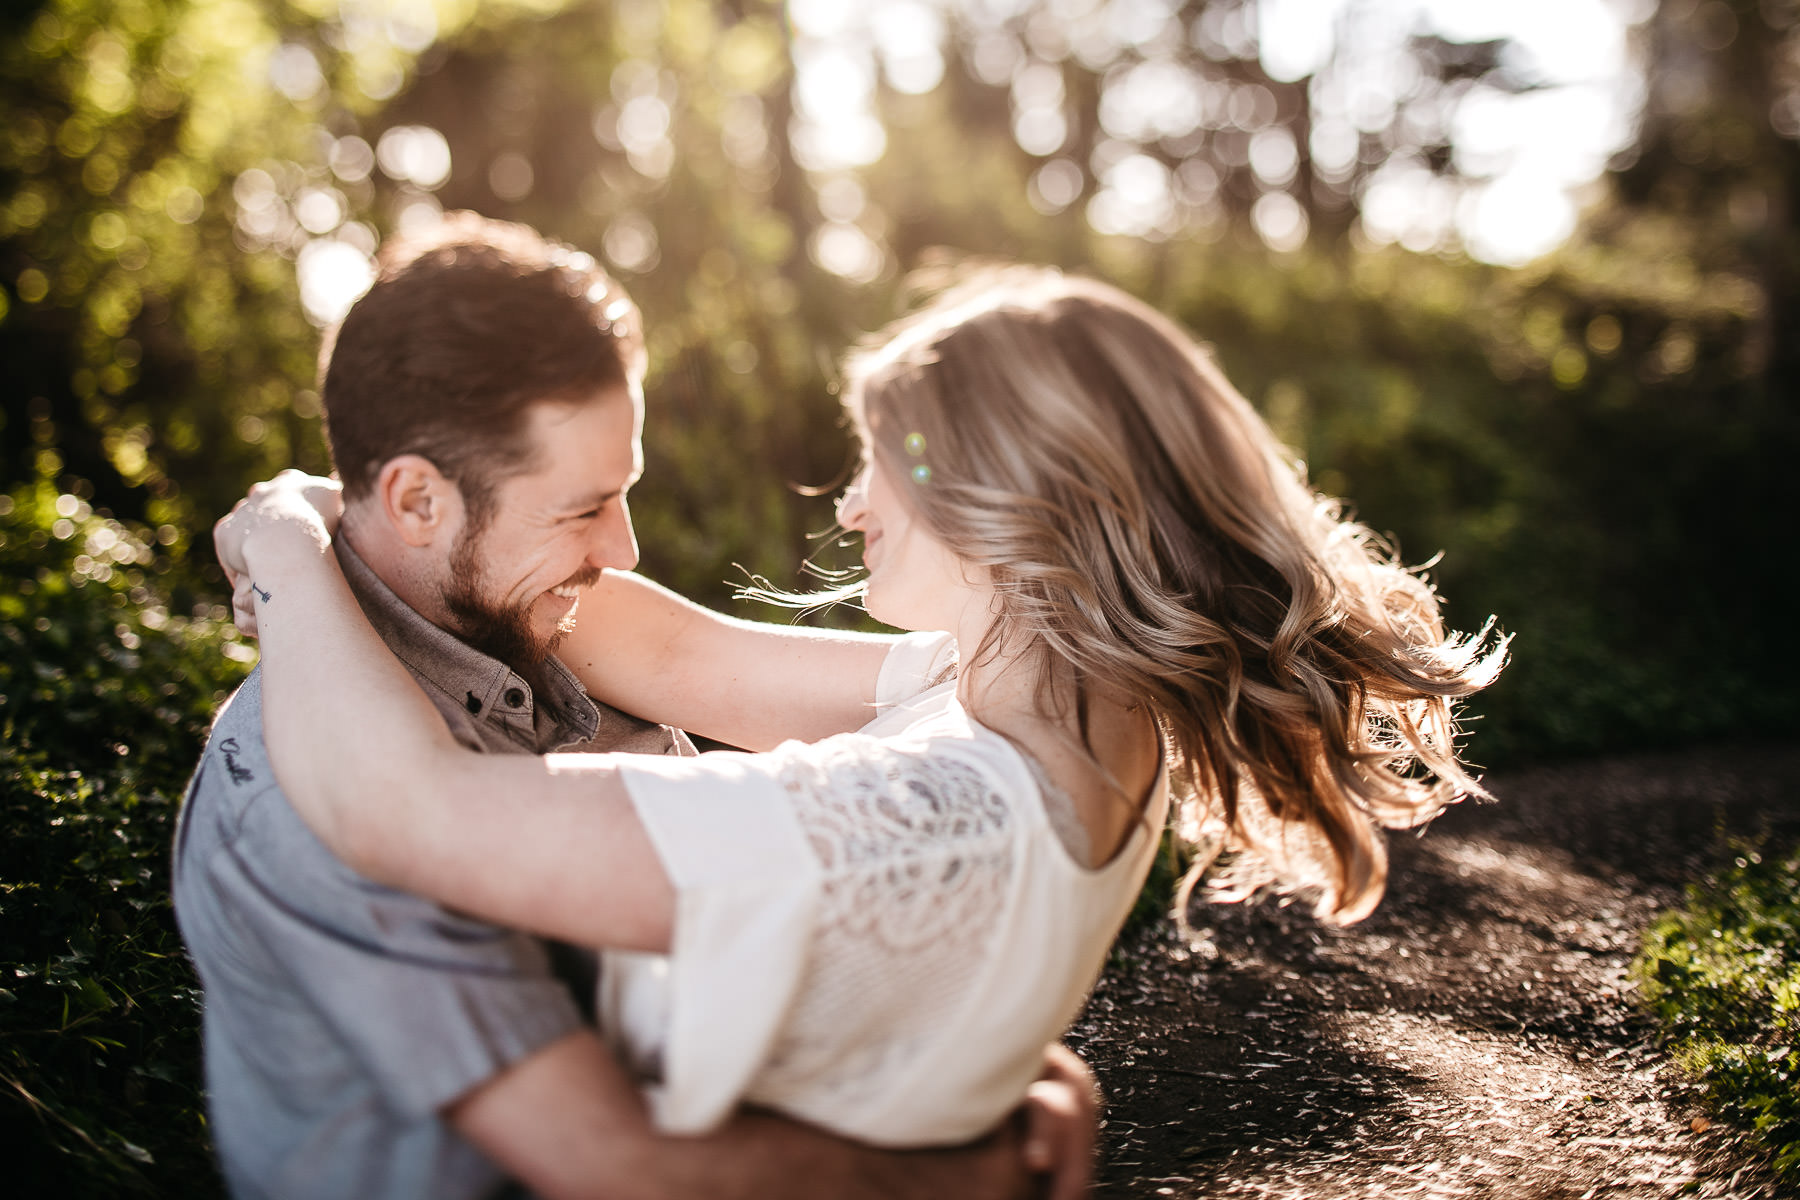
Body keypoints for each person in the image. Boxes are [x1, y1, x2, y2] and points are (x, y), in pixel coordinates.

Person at [212, 265, 1507, 1157]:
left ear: (1006, 500)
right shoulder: (1064, 701)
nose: (843, 506)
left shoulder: (911, 813)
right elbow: (680, 653)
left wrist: (282, 537)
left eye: (876, 463)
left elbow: (405, 809)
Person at [173, 215, 1095, 1200]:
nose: (625, 552)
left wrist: (964, 1059)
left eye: (623, 496)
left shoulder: (531, 611)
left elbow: (800, 677)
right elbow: (619, 1167)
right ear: (415, 503)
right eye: (581, 509)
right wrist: (975, 1167)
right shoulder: (308, 794)